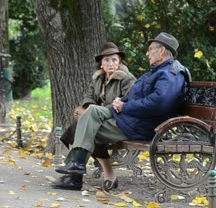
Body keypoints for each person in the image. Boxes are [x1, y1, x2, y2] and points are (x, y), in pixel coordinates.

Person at [55, 32, 189, 191]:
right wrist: (122, 101)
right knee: (91, 112)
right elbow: (135, 95)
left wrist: (125, 106)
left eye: (151, 49)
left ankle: (75, 174)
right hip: (129, 118)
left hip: (140, 125)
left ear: (161, 51)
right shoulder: (158, 71)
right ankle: (76, 165)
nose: (147, 53)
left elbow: (158, 103)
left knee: (83, 127)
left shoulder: (171, 74)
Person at [53, 42, 136, 191]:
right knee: (76, 129)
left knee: (89, 129)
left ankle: (82, 176)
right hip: (99, 116)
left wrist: (98, 110)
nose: (111, 64)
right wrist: (87, 107)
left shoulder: (127, 78)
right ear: (101, 64)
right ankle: (75, 176)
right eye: (107, 60)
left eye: (114, 60)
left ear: (120, 62)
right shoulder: (98, 78)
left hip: (117, 119)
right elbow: (89, 96)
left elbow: (128, 102)